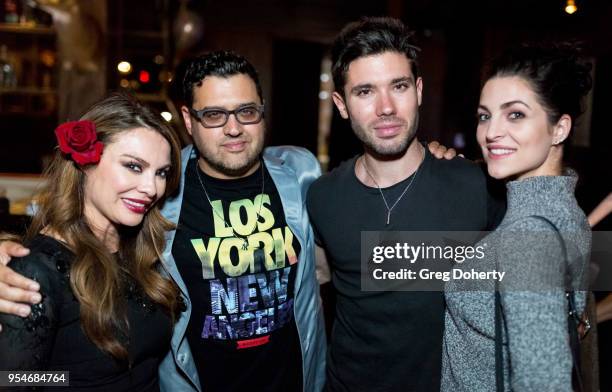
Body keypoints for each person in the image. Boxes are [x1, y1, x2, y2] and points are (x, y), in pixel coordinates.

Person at [306, 17, 504, 391]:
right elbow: (314, 289)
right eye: (364, 91)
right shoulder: (322, 197)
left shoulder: (475, 186)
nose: (385, 108)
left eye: (397, 87)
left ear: (418, 91)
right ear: (342, 104)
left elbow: (567, 266)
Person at [0, 92, 183, 390]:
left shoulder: (137, 251)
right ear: (86, 163)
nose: (152, 188)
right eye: (134, 166)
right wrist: (71, 381)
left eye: (161, 173)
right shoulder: (38, 270)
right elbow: (11, 379)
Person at [442, 43, 593, 391]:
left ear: (560, 129)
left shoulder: (527, 236)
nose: (491, 132)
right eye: (485, 115)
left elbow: (543, 381)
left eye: (515, 115)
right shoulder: (565, 211)